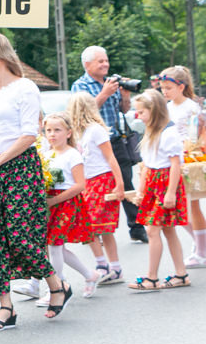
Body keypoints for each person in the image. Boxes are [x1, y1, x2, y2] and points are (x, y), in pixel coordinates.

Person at [0, 33, 72, 331]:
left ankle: (56, 285)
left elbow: (29, 135)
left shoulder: (25, 88)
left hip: (19, 167)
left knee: (22, 234)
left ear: (0, 56)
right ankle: (5, 307)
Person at [71, 45, 148, 243]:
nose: (105, 64)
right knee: (95, 186)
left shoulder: (112, 82)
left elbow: (123, 109)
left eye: (106, 60)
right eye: (100, 61)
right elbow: (84, 113)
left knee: (126, 182)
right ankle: (95, 229)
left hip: (115, 139)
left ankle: (137, 227)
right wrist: (104, 93)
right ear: (87, 64)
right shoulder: (81, 86)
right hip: (93, 143)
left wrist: (124, 96)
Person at [127, 89, 191, 291]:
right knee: (168, 230)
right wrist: (141, 191)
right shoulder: (149, 131)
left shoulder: (169, 133)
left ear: (154, 111)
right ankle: (181, 274)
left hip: (165, 184)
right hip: (154, 181)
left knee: (152, 230)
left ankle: (152, 278)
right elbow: (146, 165)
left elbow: (175, 165)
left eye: (141, 112)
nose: (138, 116)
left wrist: (171, 193)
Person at [37, 112, 98, 304]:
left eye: (57, 130)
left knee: (54, 244)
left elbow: (80, 185)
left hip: (67, 203)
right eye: (48, 130)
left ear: (69, 133)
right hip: (50, 202)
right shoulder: (46, 155)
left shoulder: (73, 155)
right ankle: (89, 274)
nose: (52, 134)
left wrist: (54, 201)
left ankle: (58, 286)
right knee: (56, 247)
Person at [67, 92, 127, 289]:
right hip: (87, 181)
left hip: (102, 179)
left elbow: (110, 157)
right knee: (88, 226)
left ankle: (114, 267)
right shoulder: (78, 133)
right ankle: (102, 263)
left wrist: (119, 184)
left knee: (101, 226)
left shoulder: (96, 130)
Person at [158, 66, 206, 268]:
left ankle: (201, 250)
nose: (165, 92)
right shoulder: (167, 108)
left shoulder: (191, 107)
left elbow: (196, 134)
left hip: (188, 158)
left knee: (191, 205)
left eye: (168, 88)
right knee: (180, 206)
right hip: (171, 159)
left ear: (181, 87)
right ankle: (200, 245)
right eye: (162, 88)